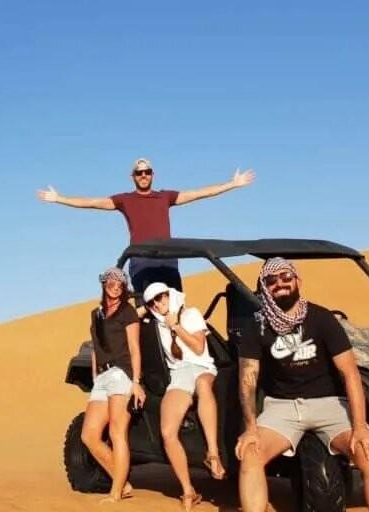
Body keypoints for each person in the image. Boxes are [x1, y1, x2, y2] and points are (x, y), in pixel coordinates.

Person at [235, 258, 369, 512]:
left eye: (286, 277)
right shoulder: (257, 326)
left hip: (329, 405)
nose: (280, 284)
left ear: (297, 281)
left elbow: (350, 374)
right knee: (250, 454)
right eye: (272, 280)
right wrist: (251, 429)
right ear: (265, 287)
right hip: (283, 407)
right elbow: (248, 379)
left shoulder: (321, 318)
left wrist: (359, 428)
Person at [37, 158, 255, 292]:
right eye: (139, 172)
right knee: (146, 309)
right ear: (132, 177)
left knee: (175, 306)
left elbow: (198, 193)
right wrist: (59, 198)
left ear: (152, 175)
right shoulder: (125, 200)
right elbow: (92, 202)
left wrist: (232, 184)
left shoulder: (165, 197)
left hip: (168, 260)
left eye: (147, 171)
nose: (143, 175)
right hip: (141, 261)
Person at [143, 282, 225, 511]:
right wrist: (144, 308)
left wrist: (176, 326)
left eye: (160, 297)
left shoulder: (191, 314)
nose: (157, 304)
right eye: (151, 302)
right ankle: (188, 490)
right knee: (167, 432)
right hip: (179, 375)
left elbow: (198, 348)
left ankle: (213, 454)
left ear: (170, 294)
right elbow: (131, 316)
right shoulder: (156, 325)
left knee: (203, 386)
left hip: (202, 368)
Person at [80, 267, 146, 503]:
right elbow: (96, 346)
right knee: (89, 435)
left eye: (120, 284)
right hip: (103, 376)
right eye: (111, 283)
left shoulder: (127, 312)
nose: (115, 287)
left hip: (121, 374)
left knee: (117, 433)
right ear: (104, 284)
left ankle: (116, 493)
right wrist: (95, 375)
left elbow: (135, 348)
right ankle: (123, 483)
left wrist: (136, 382)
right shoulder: (96, 314)